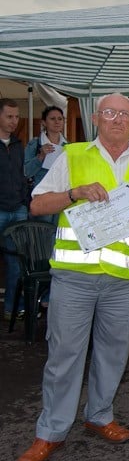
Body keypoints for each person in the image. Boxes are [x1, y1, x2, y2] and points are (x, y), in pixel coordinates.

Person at [16, 93, 129, 461]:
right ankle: (50, 432)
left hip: (125, 280)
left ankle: (100, 416)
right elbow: (36, 204)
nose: (117, 119)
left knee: (113, 354)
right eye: (109, 112)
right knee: (65, 355)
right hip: (74, 277)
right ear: (96, 118)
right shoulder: (72, 155)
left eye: (124, 114)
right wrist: (74, 193)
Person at [0, 98, 28, 321]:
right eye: (9, 116)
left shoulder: (19, 145)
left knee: (16, 263)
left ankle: (12, 307)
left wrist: (24, 202)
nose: (14, 121)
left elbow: (22, 175)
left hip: (17, 209)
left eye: (17, 117)